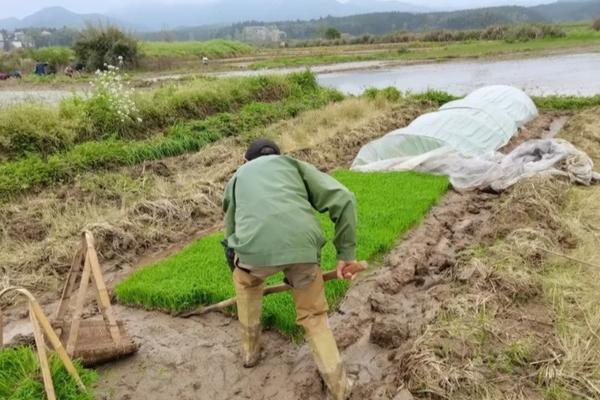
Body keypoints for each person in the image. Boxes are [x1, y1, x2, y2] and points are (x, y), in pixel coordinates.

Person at [223, 139, 358, 400]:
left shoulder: (237, 177)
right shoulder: (293, 166)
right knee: (314, 317)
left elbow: (230, 233)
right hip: (303, 252)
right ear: (278, 156)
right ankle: (341, 388)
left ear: (245, 161)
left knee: (246, 285)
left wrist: (240, 268)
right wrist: (345, 255)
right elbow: (345, 199)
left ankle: (250, 354)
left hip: (252, 254)